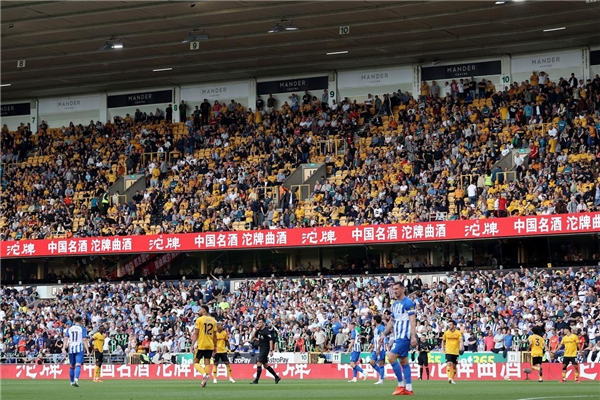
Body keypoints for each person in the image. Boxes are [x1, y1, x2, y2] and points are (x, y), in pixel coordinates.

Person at [381, 281, 417, 396]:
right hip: (397, 336)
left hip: (404, 336)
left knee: (391, 357)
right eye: (393, 289)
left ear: (402, 289)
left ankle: (401, 385)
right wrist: (383, 334)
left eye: (397, 289)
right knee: (403, 361)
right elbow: (392, 321)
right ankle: (409, 389)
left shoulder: (408, 302)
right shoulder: (395, 304)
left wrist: (413, 336)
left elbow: (412, 320)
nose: (395, 291)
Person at [249, 317, 281, 385]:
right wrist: (255, 329)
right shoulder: (259, 330)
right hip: (261, 348)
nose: (259, 324)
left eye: (260, 322)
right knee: (266, 365)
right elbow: (252, 337)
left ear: (263, 323)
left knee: (258, 363)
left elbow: (270, 340)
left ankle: (256, 380)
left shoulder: (266, 331)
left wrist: (271, 350)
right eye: (258, 323)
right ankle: (276, 377)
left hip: (265, 348)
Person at [191, 305, 217, 388]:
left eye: (201, 309)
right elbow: (215, 336)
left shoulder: (199, 320)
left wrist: (192, 344)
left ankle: (204, 374)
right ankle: (204, 381)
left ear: (204, 311)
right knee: (207, 363)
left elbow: (196, 333)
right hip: (210, 345)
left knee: (195, 362)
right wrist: (215, 347)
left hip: (202, 344)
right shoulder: (213, 321)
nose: (199, 311)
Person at [62, 315, 89, 387]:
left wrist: (64, 348)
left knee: (71, 366)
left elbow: (66, 338)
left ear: (74, 321)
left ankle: (71, 382)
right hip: (79, 348)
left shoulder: (69, 328)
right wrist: (87, 350)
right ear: (81, 321)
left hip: (71, 349)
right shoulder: (82, 328)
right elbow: (84, 339)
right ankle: (76, 380)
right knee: (78, 364)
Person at [442, 320, 463, 384]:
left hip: (456, 351)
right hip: (448, 351)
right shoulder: (446, 333)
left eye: (451, 325)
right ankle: (449, 378)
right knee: (448, 363)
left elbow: (461, 341)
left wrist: (461, 347)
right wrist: (442, 349)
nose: (449, 326)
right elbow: (443, 341)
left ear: (454, 325)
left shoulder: (458, 333)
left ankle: (452, 379)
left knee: (454, 366)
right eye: (449, 324)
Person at [369, 315, 386, 385]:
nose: (372, 321)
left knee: (381, 363)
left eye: (373, 320)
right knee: (372, 362)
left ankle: (381, 380)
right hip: (375, 348)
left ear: (375, 320)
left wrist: (378, 348)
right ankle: (382, 375)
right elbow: (375, 338)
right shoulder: (376, 328)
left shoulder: (381, 328)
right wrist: (372, 346)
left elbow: (382, 339)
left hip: (380, 348)